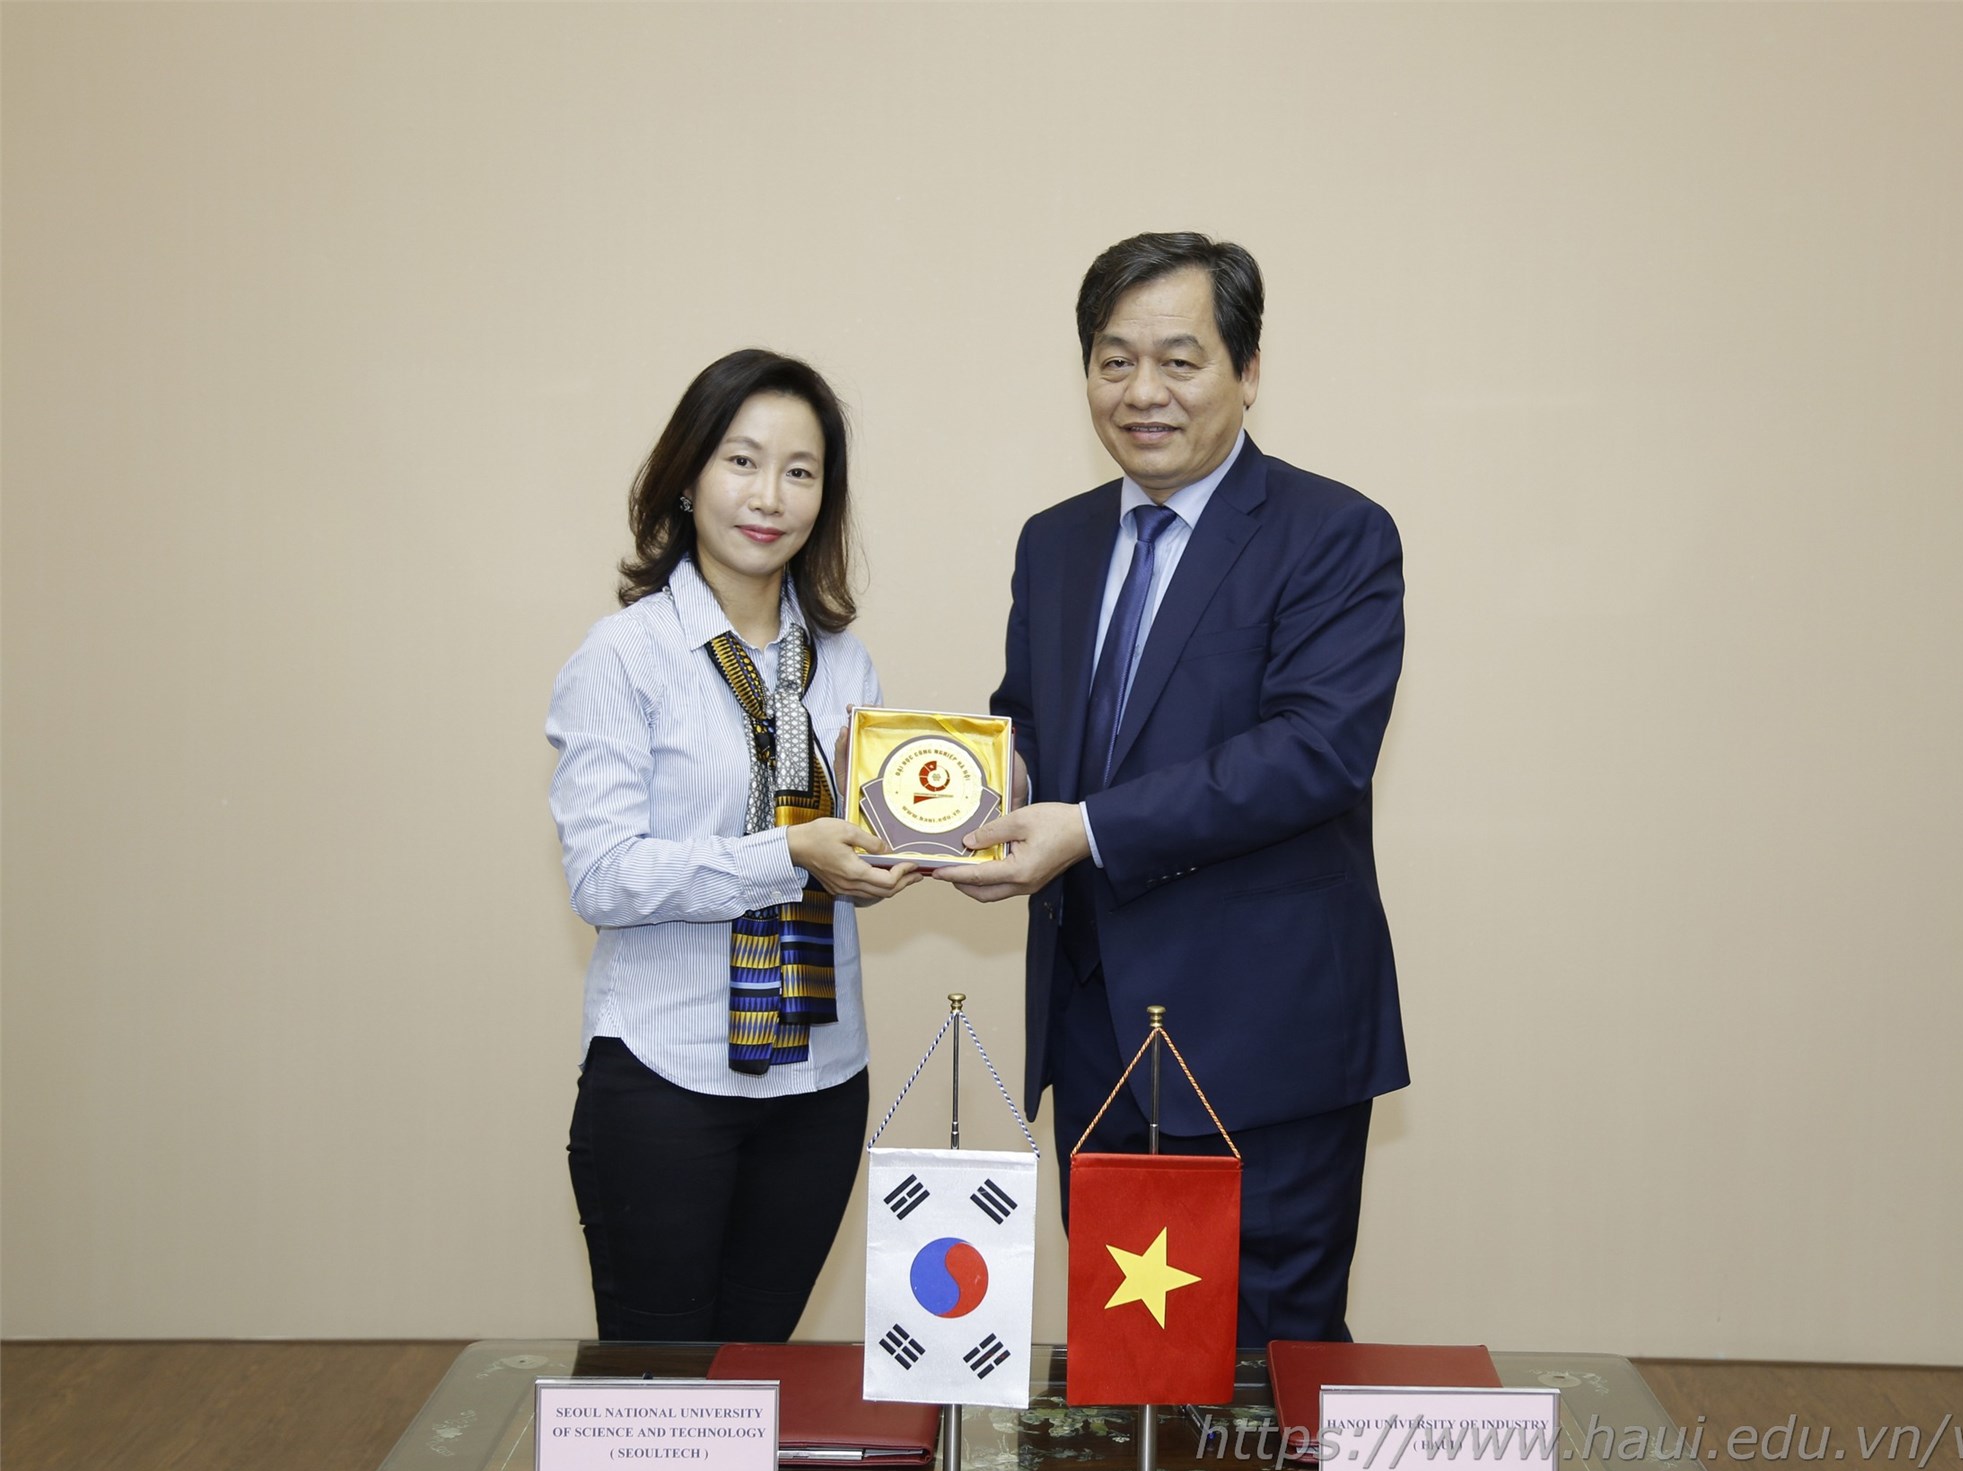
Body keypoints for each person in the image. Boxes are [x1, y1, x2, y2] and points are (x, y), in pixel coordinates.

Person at [935, 233, 1408, 1345]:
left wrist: (1085, 829)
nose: (1142, 392)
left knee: (1261, 1370)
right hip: (1095, 1031)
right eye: (1114, 361)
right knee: (1124, 1360)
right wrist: (977, 788)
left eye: (1178, 360)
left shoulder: (1333, 534)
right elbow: (1031, 721)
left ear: (1247, 371)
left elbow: (1315, 751)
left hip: (1262, 1040)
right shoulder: (1053, 543)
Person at [546, 349, 918, 1342]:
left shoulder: (844, 663)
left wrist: (893, 856)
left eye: (799, 472)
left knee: (761, 1375)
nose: (768, 497)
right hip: (663, 1078)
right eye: (741, 462)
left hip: (821, 1083)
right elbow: (602, 877)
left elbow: (855, 844)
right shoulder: (623, 657)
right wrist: (787, 855)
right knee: (658, 1388)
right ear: (687, 477)